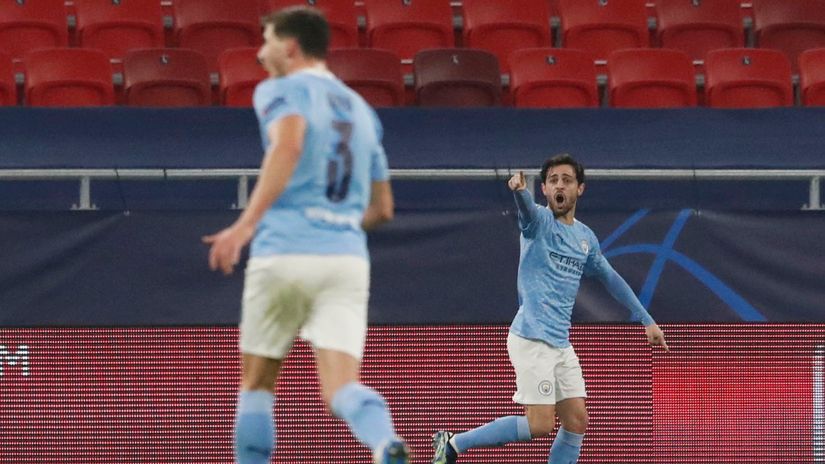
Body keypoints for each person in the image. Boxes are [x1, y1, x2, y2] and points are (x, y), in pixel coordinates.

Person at [202, 7, 408, 464]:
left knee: (256, 384)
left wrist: (245, 225)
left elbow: (289, 143)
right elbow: (383, 209)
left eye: (267, 41)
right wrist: (336, 228)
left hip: (284, 251)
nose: (259, 53)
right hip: (346, 259)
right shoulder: (363, 110)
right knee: (341, 388)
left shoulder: (280, 89)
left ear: (290, 47)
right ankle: (382, 442)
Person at [431, 154, 669, 464]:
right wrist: (519, 192)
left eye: (567, 180)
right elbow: (527, 211)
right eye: (553, 180)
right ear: (544, 188)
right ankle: (454, 443)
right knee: (540, 424)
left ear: (579, 189)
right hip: (531, 338)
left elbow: (611, 278)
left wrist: (647, 320)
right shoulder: (539, 222)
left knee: (577, 421)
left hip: (560, 343)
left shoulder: (585, 238)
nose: (560, 185)